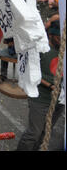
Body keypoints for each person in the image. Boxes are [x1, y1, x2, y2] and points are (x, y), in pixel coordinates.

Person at [16, 20, 65, 151]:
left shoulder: (63, 50)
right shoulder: (40, 49)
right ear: (50, 35)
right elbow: (30, 72)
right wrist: (50, 86)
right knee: (34, 133)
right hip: (40, 99)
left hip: (59, 101)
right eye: (58, 37)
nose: (61, 40)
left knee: (45, 132)